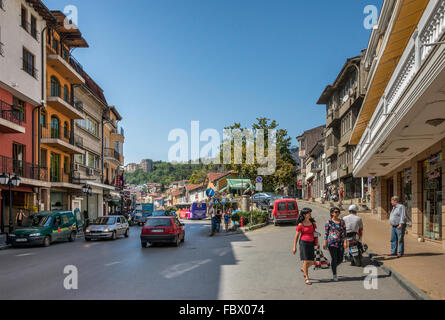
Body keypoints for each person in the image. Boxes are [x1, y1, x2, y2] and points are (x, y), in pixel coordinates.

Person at [292, 208, 317, 285]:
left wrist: (317, 242)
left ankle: (303, 269)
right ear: (304, 215)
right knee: (306, 261)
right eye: (309, 213)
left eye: (310, 213)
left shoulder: (312, 223)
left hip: (311, 243)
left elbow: (315, 233)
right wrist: (294, 247)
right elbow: (296, 236)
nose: (310, 214)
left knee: (312, 262)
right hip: (303, 243)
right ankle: (307, 278)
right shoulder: (301, 224)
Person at [324, 207, 348, 281]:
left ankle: (333, 266)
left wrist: (345, 241)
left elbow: (344, 233)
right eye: (335, 212)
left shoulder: (342, 222)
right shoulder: (328, 222)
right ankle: (334, 274)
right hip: (332, 243)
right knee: (334, 258)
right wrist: (325, 243)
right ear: (332, 213)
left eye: (338, 212)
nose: (337, 213)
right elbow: (326, 233)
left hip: (340, 242)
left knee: (340, 259)